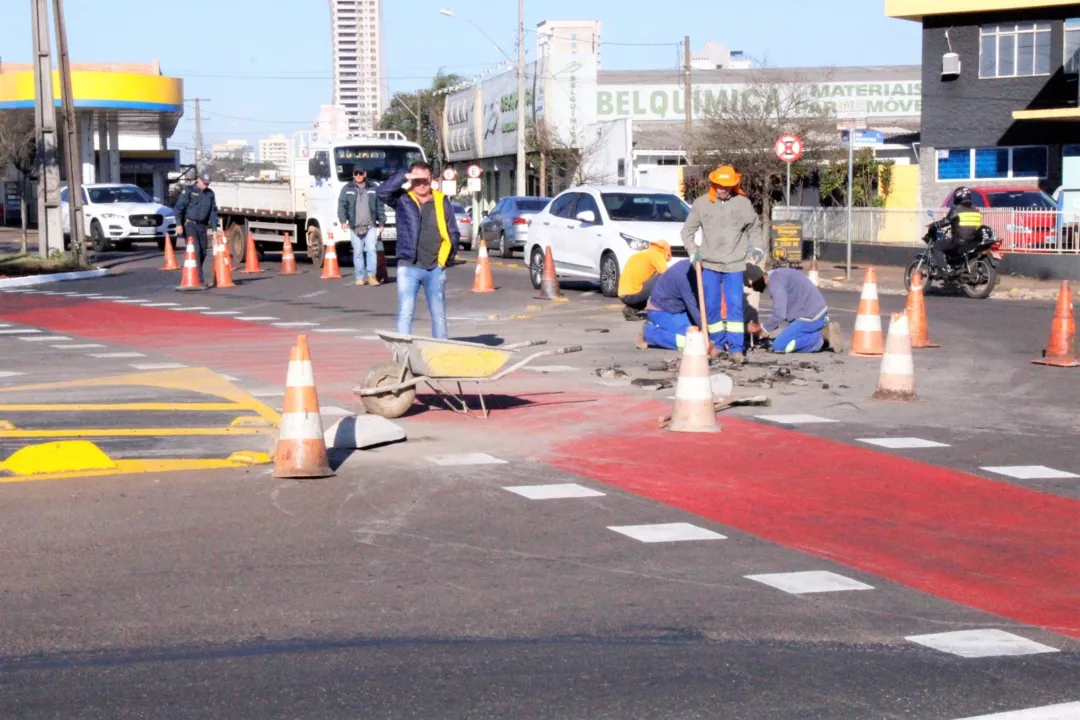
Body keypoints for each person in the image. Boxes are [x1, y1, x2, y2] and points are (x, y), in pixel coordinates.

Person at [681, 165, 759, 363]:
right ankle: (717, 343)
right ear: (713, 184)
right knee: (712, 306)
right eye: (719, 186)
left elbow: (754, 228)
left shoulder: (743, 204)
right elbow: (687, 232)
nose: (723, 190)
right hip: (709, 264)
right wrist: (693, 252)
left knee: (735, 306)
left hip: (734, 264)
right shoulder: (701, 204)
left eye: (727, 186)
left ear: (734, 185)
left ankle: (736, 349)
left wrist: (756, 248)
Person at [376, 162, 460, 339]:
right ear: (411, 181)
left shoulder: (441, 200)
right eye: (417, 180)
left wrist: (444, 261)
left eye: (425, 180)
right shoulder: (403, 199)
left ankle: (439, 352)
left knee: (439, 315)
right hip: (409, 265)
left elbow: (453, 233)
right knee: (406, 312)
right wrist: (404, 176)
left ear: (431, 180)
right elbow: (381, 192)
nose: (422, 184)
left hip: (434, 267)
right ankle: (403, 354)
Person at [744, 264, 844, 354]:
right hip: (815, 312)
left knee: (780, 345)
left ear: (757, 279)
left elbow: (780, 314)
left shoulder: (775, 282)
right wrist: (768, 329)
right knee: (790, 337)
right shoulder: (778, 275)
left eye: (751, 285)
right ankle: (819, 333)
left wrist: (762, 328)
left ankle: (821, 337)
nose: (753, 289)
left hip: (810, 317)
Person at [634, 259, 705, 351]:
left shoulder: (696, 267)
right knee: (693, 341)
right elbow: (694, 309)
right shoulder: (685, 276)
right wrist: (710, 333)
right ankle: (648, 333)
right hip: (662, 311)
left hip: (679, 310)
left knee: (698, 333)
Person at [338, 167, 386, 286]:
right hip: (355, 226)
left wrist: (381, 223)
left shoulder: (373, 188)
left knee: (371, 250)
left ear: (365, 174)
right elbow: (342, 205)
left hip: (371, 226)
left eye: (361, 173)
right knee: (358, 252)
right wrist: (343, 221)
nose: (358, 175)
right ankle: (359, 276)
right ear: (353, 175)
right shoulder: (347, 189)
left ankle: (371, 276)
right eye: (356, 173)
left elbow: (380, 206)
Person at [173, 172, 219, 287]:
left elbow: (213, 212)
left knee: (203, 251)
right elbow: (179, 208)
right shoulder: (189, 191)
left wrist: (214, 230)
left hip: (202, 226)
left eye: (208, 183)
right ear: (198, 180)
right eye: (204, 183)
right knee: (196, 250)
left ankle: (196, 272)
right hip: (190, 225)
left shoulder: (210, 194)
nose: (206, 185)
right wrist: (178, 224)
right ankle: (200, 278)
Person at [618, 240, 671, 318]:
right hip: (633, 294)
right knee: (662, 278)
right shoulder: (657, 254)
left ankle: (631, 309)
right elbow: (666, 274)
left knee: (654, 280)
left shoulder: (643, 254)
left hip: (624, 294)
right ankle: (665, 310)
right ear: (666, 251)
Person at [930, 186, 982, 264]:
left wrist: (934, 225)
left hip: (959, 242)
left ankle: (943, 271)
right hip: (972, 242)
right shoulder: (976, 211)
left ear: (957, 197)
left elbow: (945, 221)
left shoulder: (956, 210)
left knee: (937, 246)